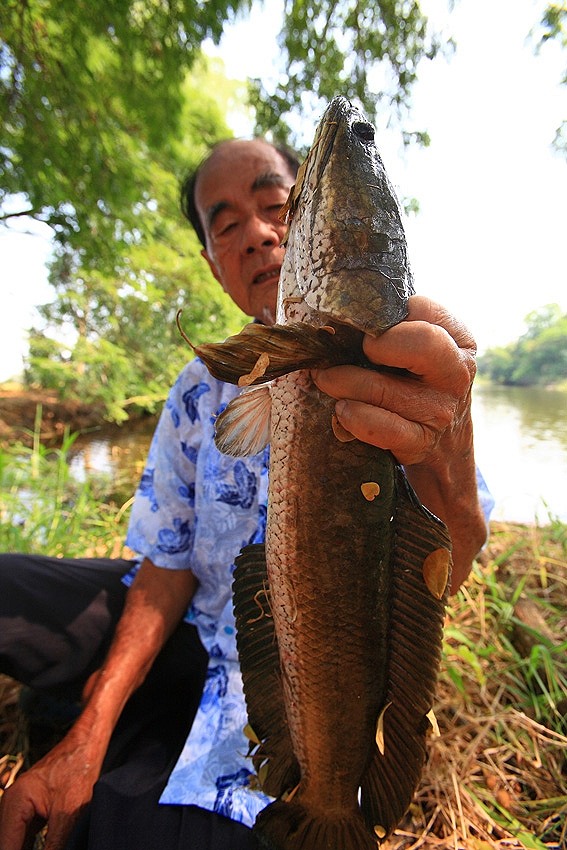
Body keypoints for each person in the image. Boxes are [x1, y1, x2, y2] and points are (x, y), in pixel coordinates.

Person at [0, 137, 492, 850]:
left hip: (280, 678)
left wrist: (446, 455)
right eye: (225, 224)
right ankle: (94, 719)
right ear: (211, 261)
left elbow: (458, 551)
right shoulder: (198, 390)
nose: (257, 234)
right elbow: (164, 567)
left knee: (113, 831)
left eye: (276, 206)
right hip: (189, 628)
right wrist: (88, 734)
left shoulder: (410, 377)